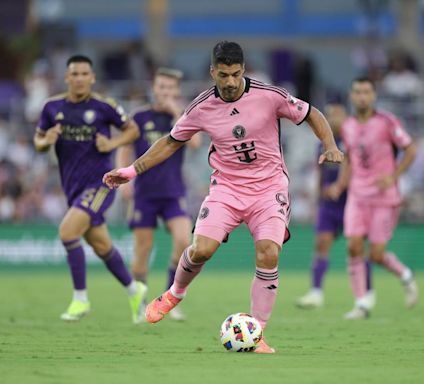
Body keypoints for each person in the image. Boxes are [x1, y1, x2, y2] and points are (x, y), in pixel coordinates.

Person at [103, 41, 344, 353]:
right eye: (223, 75)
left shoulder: (269, 96)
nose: (229, 82)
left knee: (269, 252)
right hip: (226, 190)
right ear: (212, 72)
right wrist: (132, 171)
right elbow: (170, 141)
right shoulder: (201, 107)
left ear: (243, 70)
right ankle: (175, 293)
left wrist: (330, 144)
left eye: (235, 74)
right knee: (201, 250)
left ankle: (257, 333)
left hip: (268, 189)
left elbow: (312, 114)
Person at [33, 55, 147, 322]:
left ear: (92, 78)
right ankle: (134, 290)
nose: (80, 78)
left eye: (85, 74)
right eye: (75, 74)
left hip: (101, 183)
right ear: (67, 78)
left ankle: (80, 299)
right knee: (100, 244)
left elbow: (133, 130)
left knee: (67, 231)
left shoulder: (104, 107)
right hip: (72, 186)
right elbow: (39, 141)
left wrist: (112, 144)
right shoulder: (52, 107)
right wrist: (45, 141)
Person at [327, 77, 419, 320]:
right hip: (357, 195)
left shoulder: (386, 122)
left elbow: (410, 149)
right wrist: (340, 184)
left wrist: (394, 175)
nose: (362, 96)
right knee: (353, 246)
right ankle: (362, 303)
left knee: (376, 255)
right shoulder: (347, 126)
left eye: (366, 92)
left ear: (374, 96)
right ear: (351, 95)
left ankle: (405, 275)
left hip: (384, 197)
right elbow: (349, 158)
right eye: (357, 92)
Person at [117, 68, 201, 322]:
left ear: (176, 92)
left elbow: (195, 145)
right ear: (154, 88)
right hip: (145, 194)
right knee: (143, 249)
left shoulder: (183, 117)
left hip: (173, 192)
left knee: (183, 241)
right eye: (161, 87)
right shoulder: (139, 116)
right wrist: (123, 181)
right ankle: (139, 303)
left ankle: (169, 300)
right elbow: (125, 146)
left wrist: (177, 112)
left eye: (170, 89)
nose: (165, 92)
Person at [296, 103, 374, 309]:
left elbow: (355, 168)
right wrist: (318, 196)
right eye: (330, 115)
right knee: (321, 244)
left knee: (358, 248)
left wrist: (340, 186)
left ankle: (367, 292)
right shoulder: (321, 144)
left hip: (352, 202)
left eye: (338, 115)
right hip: (328, 204)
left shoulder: (355, 140)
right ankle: (316, 292)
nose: (334, 119)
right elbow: (320, 172)